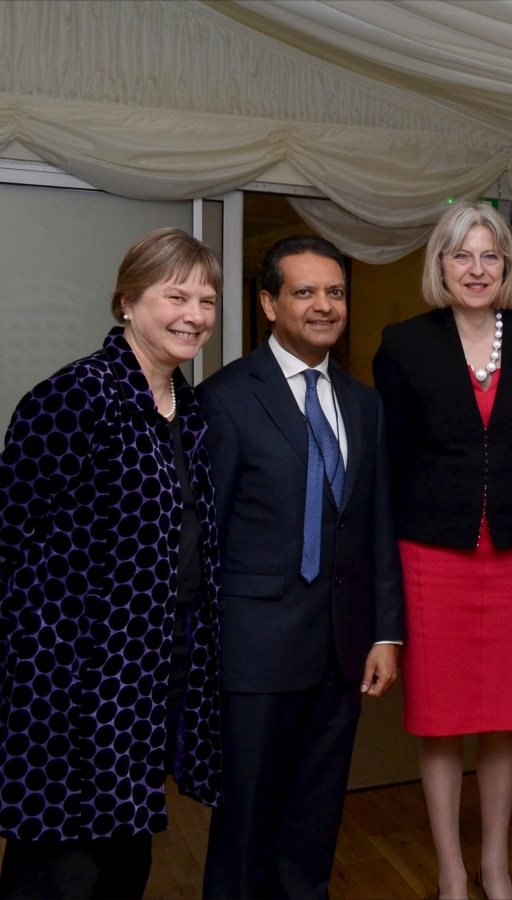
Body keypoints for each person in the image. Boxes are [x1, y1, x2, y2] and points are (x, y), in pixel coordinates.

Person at [0, 228, 223, 898]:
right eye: (175, 295)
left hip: (152, 673)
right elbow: (10, 536)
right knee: (61, 867)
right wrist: (44, 661)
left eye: (207, 300)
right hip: (67, 683)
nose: (194, 314)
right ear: (127, 301)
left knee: (124, 857)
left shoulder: (190, 411)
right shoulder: (74, 399)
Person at [373, 201, 512, 900]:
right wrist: (386, 578)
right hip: (433, 556)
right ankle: (452, 871)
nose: (477, 269)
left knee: (506, 714)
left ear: (507, 267)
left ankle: (494, 864)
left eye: (491, 256)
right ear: (441, 264)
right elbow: (388, 465)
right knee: (441, 715)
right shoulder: (403, 344)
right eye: (463, 256)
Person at [199, 235, 404, 898]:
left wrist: (384, 633)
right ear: (268, 303)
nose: (324, 306)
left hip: (341, 652)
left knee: (314, 829)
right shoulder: (225, 398)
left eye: (336, 292)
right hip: (254, 653)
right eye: (305, 292)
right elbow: (203, 537)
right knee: (247, 829)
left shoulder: (365, 404)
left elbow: (377, 527)